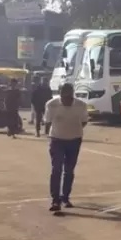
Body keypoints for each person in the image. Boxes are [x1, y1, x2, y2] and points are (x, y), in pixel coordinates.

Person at [44, 83, 89, 212]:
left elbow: (84, 121)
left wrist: (73, 130)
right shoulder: (51, 105)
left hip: (74, 140)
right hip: (57, 140)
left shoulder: (81, 105)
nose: (67, 100)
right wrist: (50, 136)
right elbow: (48, 122)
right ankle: (55, 200)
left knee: (69, 170)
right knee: (56, 169)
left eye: (70, 96)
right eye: (65, 97)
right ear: (60, 94)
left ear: (73, 94)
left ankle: (65, 197)